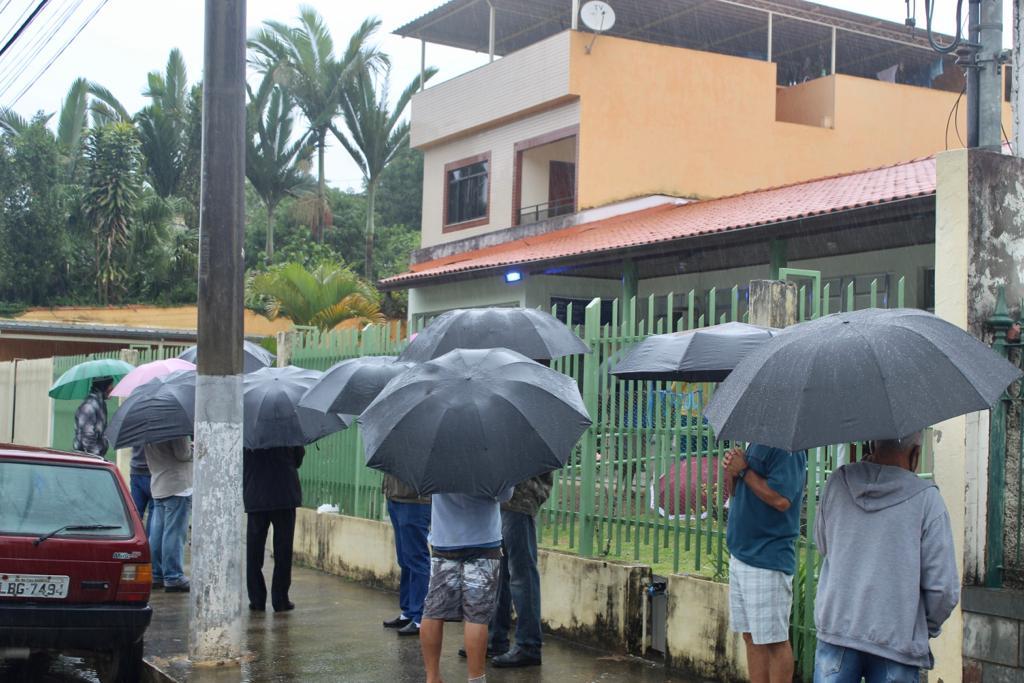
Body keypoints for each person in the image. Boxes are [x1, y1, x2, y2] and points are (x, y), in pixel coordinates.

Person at [813, 433, 959, 682]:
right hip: (897, 642)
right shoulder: (927, 500)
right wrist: (921, 627)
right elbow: (943, 589)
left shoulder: (837, 483)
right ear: (915, 454)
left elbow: (823, 544)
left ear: (871, 444)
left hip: (837, 629)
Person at [723, 443, 807, 683]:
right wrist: (732, 471)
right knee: (750, 636)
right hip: (741, 554)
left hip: (767, 559)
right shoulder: (753, 442)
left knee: (774, 641)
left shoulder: (786, 449)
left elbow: (782, 500)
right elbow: (737, 492)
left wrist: (744, 471)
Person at [421, 488, 514, 683]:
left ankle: (432, 678)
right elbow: (505, 495)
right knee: (476, 615)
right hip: (484, 541)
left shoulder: (437, 458)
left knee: (433, 610)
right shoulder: (492, 458)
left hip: (444, 539)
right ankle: (476, 679)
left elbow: (426, 487)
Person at [487, 474, 552, 668]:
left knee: (522, 573)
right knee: (501, 573)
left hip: (521, 498)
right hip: (506, 498)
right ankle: (495, 639)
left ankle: (528, 645)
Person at [244, 446, 304, 613]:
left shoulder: (249, 432)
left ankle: (257, 600)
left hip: (256, 496)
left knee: (254, 552)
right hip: (284, 494)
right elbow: (298, 459)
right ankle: (280, 599)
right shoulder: (289, 429)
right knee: (283, 551)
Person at [381, 473, 431, 636]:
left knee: (416, 558)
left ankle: (420, 616)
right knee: (404, 558)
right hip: (395, 496)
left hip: (414, 500)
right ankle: (408, 611)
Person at [145, 437, 193, 593]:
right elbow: (183, 454)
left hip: (159, 484)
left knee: (157, 533)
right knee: (174, 534)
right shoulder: (176, 428)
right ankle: (173, 576)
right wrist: (194, 447)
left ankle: (156, 574)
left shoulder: (148, 430)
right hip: (177, 486)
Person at [73, 377, 113, 457]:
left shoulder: (100, 404)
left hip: (94, 458)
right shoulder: (89, 406)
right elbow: (87, 437)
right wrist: (96, 459)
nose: (112, 389)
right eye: (110, 386)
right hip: (86, 461)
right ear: (104, 387)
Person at [129, 446, 153, 531]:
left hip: (135, 470)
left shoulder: (134, 432)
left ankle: (134, 540)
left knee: (135, 513)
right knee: (154, 512)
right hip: (153, 471)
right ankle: (150, 542)